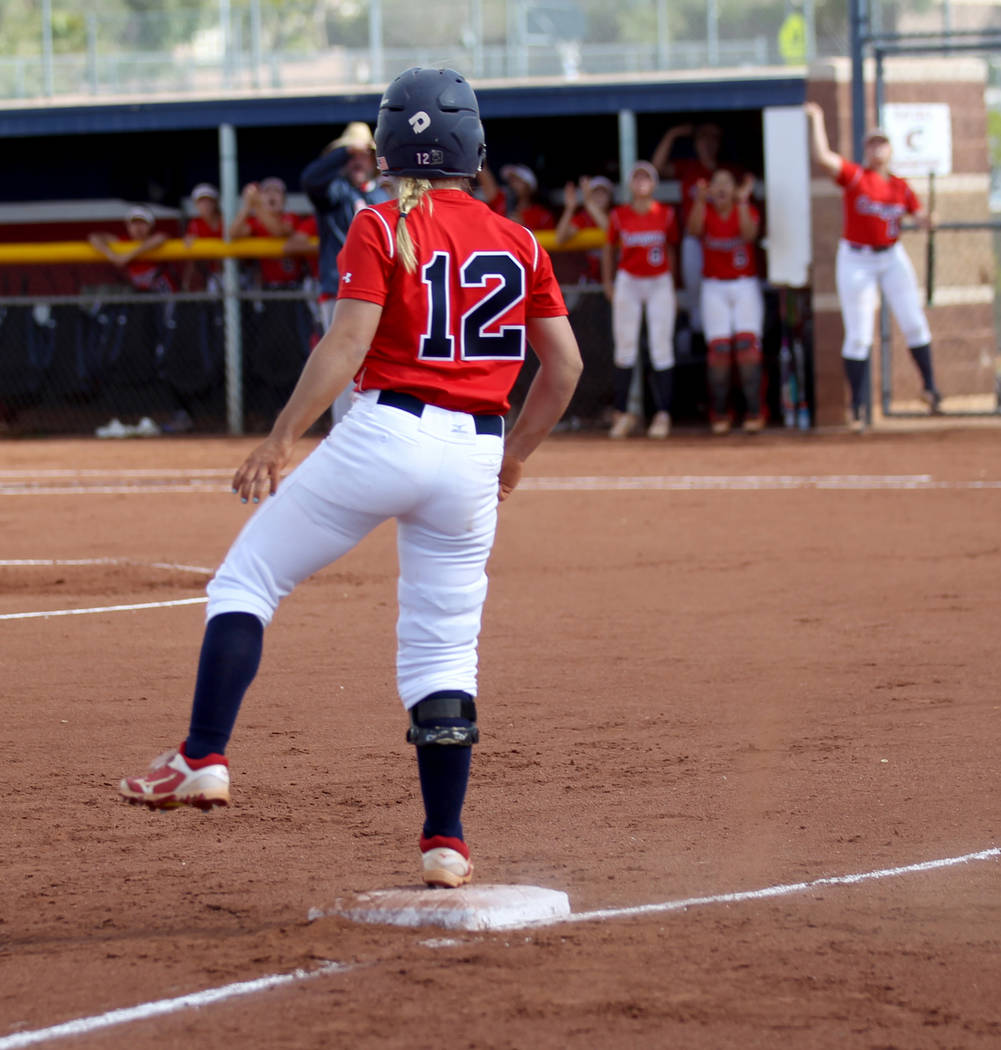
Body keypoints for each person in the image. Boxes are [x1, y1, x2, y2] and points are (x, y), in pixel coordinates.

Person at [118, 67, 583, 891]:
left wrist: (278, 439)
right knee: (444, 651)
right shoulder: (520, 242)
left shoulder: (380, 220)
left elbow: (344, 345)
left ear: (392, 142)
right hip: (473, 455)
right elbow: (564, 368)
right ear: (474, 147)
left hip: (385, 431)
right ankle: (445, 843)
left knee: (247, 580)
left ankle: (202, 756)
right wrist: (513, 456)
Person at [805, 101, 942, 431]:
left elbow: (918, 214)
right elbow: (823, 157)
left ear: (891, 149)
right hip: (856, 258)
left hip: (891, 256)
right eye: (872, 142)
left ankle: (931, 389)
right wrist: (817, 119)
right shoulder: (857, 177)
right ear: (866, 149)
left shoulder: (899, 186)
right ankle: (858, 407)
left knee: (914, 321)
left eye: (882, 142)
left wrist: (928, 220)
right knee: (859, 335)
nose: (877, 147)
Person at [293, 121, 390, 424]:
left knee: (380, 366)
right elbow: (310, 179)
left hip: (381, 296)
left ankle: (374, 431)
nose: (357, 160)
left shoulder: (384, 197)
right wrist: (346, 152)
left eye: (364, 155)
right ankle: (341, 432)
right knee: (340, 365)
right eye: (351, 155)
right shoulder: (333, 192)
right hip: (339, 291)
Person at [601, 160, 679, 439]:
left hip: (659, 281)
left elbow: (671, 248)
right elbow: (608, 249)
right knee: (625, 347)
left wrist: (673, 285)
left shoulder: (666, 214)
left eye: (647, 178)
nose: (642, 182)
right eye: (637, 178)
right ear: (630, 185)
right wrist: (608, 282)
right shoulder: (620, 215)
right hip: (629, 280)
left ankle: (662, 414)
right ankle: (622, 413)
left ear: (655, 184)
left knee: (661, 347)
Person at [687, 170, 765, 434]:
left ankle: (754, 411)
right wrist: (699, 200)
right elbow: (693, 230)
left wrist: (742, 200)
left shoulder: (746, 208)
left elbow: (749, 235)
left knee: (747, 348)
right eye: (716, 183)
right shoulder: (705, 211)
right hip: (714, 286)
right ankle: (720, 412)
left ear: (734, 188)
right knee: (719, 352)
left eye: (726, 183)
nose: (721, 188)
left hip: (744, 284)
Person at [88, 205, 176, 438]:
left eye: (142, 223)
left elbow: (161, 238)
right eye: (133, 223)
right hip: (140, 310)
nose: (137, 228)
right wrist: (114, 254)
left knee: (165, 349)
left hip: (164, 304)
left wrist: (127, 255)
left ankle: (171, 412)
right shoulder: (123, 241)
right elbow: (94, 237)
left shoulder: (153, 242)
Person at [230, 177, 312, 421]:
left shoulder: (290, 218)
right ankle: (270, 410)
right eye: (267, 193)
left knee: (296, 352)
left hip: (293, 294)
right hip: (268, 294)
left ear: (284, 198)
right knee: (268, 353)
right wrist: (247, 206)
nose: (272, 196)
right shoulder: (256, 220)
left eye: (277, 192)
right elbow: (233, 234)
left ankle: (296, 411)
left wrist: (257, 206)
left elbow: (279, 231)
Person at [652, 121, 728, 338]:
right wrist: (672, 134)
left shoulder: (727, 171)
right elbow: (655, 169)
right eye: (704, 138)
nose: (708, 144)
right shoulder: (689, 168)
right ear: (696, 143)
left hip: (722, 239)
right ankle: (697, 333)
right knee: (695, 293)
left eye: (713, 138)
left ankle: (713, 335)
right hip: (694, 239)